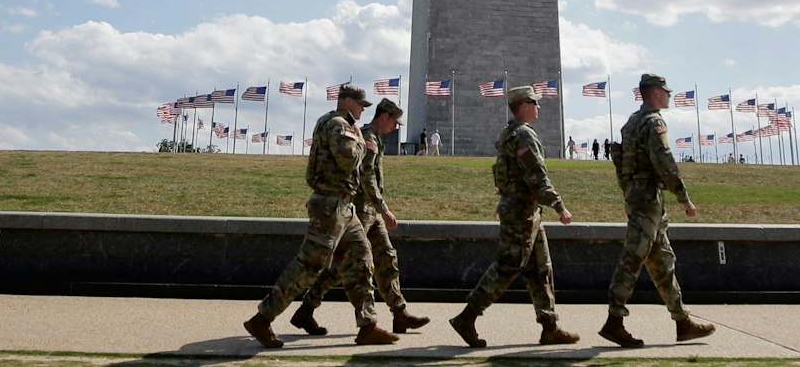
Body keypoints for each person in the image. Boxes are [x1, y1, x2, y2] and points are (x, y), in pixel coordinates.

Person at [243, 85, 396, 348]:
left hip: (345, 207)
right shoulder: (340, 124)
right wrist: (364, 144)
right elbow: (348, 159)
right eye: (360, 104)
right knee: (309, 266)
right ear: (346, 101)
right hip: (330, 206)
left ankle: (368, 325)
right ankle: (262, 318)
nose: (362, 109)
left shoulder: (338, 123)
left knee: (362, 259)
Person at [449, 85, 579, 347]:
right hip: (521, 214)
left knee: (541, 270)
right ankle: (467, 316)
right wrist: (559, 205)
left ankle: (550, 326)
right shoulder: (523, 136)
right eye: (535, 102)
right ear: (523, 105)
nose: (539, 106)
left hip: (528, 213)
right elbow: (536, 176)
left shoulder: (510, 134)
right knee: (507, 266)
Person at [292, 98, 429, 337]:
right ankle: (307, 308)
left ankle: (400, 313)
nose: (396, 128)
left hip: (371, 212)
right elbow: (367, 178)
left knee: (387, 257)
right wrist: (383, 208)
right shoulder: (367, 137)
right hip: (360, 211)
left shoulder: (375, 139)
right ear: (384, 116)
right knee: (343, 266)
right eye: (395, 122)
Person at [600, 73, 716, 348]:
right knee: (632, 260)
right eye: (665, 91)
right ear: (654, 93)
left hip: (638, 197)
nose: (669, 96)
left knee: (662, 262)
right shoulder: (653, 122)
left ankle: (682, 321)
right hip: (647, 200)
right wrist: (683, 197)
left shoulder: (631, 122)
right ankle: (614, 321)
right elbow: (663, 160)